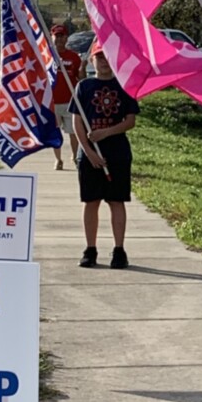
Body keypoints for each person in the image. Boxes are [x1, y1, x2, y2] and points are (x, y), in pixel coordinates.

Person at [70, 41, 139, 269]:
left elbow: (130, 121)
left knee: (116, 201)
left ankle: (119, 250)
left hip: (117, 154)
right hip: (90, 156)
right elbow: (77, 121)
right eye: (99, 57)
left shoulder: (124, 86)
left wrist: (106, 132)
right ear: (92, 61)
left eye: (107, 57)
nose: (103, 62)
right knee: (91, 202)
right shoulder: (83, 87)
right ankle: (90, 249)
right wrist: (88, 152)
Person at [50, 24, 83, 170]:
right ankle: (58, 159)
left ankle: (75, 156)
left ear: (66, 38)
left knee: (73, 132)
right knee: (56, 133)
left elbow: (81, 79)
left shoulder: (73, 57)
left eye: (62, 36)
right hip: (53, 102)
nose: (59, 39)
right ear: (52, 37)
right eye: (56, 36)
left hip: (70, 101)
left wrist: (82, 69)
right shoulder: (48, 56)